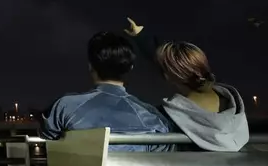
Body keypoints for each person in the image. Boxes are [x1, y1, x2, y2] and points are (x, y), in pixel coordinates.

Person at [124, 17, 249, 152]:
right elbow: (176, 63)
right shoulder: (232, 104)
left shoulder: (169, 117)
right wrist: (142, 38)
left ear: (167, 76)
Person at [39, 31, 171, 152]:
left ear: (90, 66)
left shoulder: (65, 106)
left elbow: (48, 136)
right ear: (130, 67)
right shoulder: (152, 116)